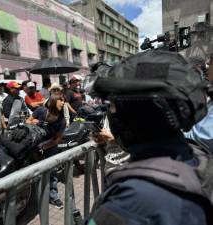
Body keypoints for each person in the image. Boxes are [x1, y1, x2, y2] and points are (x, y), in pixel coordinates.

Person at [87, 50, 212, 225]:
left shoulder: (131, 201)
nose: (111, 114)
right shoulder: (198, 156)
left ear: (138, 113)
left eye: (113, 106)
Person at [26, 95, 66, 209]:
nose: (63, 103)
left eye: (64, 101)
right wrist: (33, 122)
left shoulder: (61, 120)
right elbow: (27, 121)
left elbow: (57, 140)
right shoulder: (40, 110)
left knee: (52, 171)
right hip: (34, 143)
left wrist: (44, 147)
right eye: (61, 100)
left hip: (50, 145)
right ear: (53, 101)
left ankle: (53, 196)